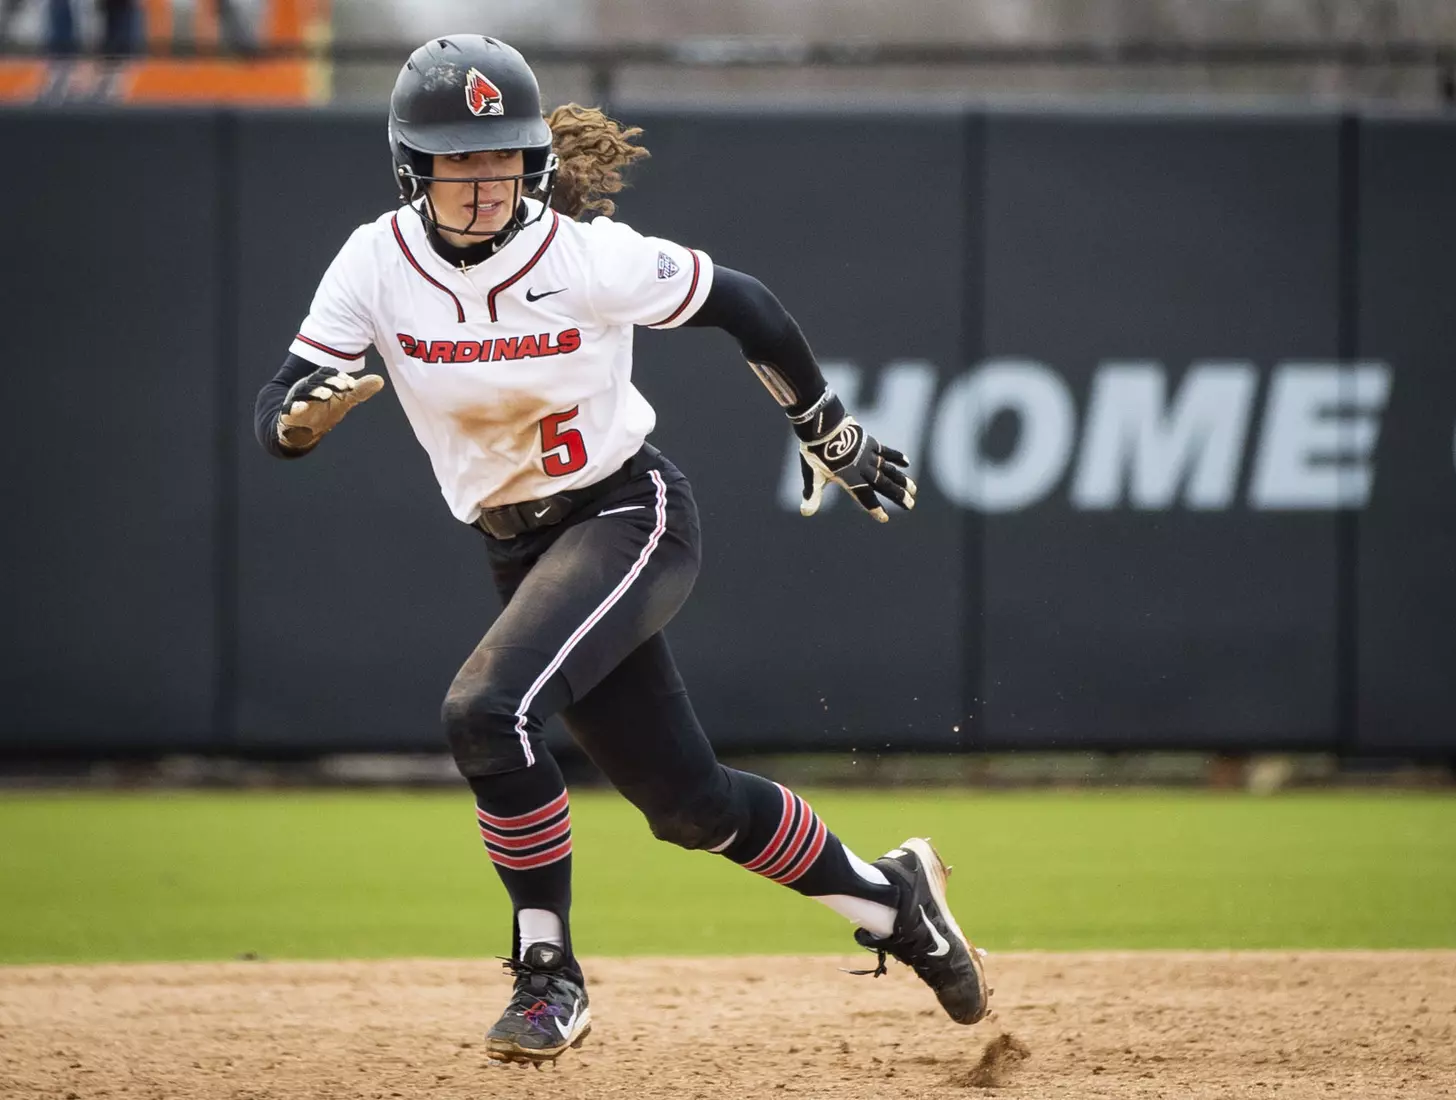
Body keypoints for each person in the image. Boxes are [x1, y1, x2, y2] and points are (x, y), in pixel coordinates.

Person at [254, 33, 988, 1066]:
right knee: (689, 806)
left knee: (484, 709)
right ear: (411, 166)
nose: (482, 180)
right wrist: (300, 419)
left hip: (626, 514)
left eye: (501, 156)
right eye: (457, 159)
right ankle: (894, 901)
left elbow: (749, 304)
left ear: (533, 162)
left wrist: (828, 428)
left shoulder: (582, 255)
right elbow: (280, 406)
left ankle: (546, 971)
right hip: (519, 547)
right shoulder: (376, 259)